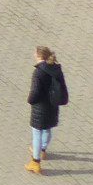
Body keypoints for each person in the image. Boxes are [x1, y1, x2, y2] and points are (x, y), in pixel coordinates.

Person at [27, 45, 69, 173]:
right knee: (47, 128)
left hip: (40, 106)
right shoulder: (56, 69)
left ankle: (35, 161)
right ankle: (43, 150)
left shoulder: (39, 72)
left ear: (39, 56)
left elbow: (35, 91)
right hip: (52, 105)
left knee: (37, 132)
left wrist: (30, 100)